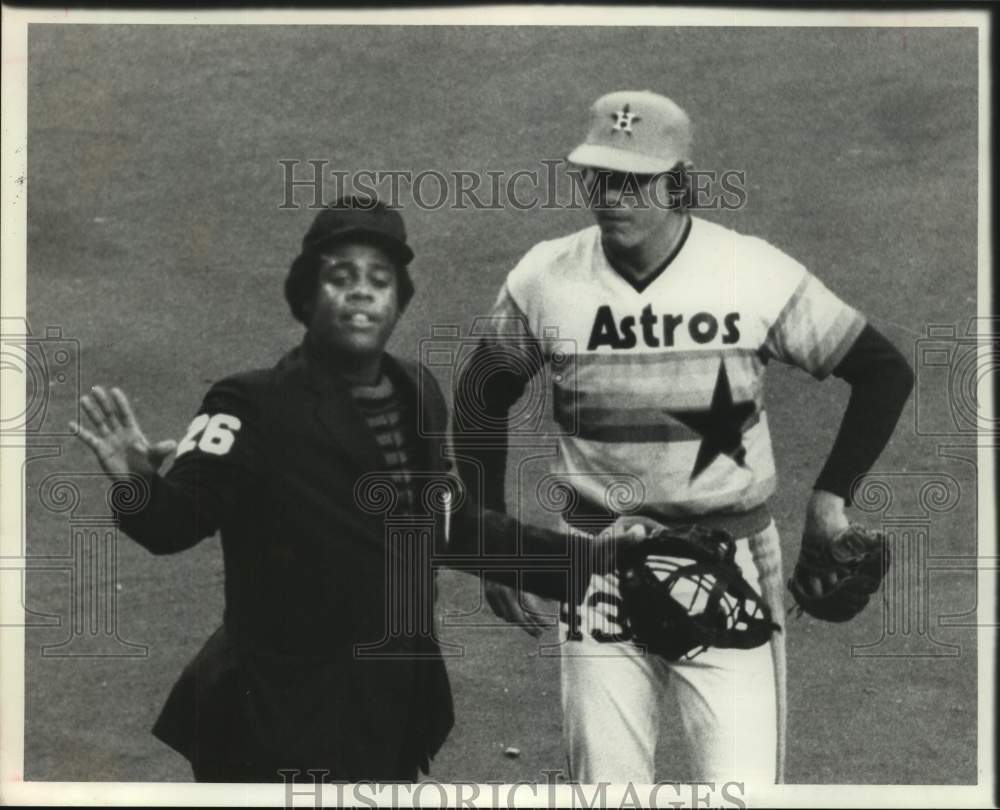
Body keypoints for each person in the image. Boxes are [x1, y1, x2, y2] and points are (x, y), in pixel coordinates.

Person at [72, 195, 639, 783]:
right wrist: (136, 479)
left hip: (389, 711)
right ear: (305, 297)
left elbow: (451, 528)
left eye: (380, 279)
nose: (362, 292)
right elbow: (169, 525)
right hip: (271, 724)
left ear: (399, 300)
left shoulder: (419, 392)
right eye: (340, 278)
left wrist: (606, 565)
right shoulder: (248, 405)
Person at [452, 90, 914, 785]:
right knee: (606, 794)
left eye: (634, 180)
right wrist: (492, 546)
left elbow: (882, 371)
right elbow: (480, 397)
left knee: (741, 793)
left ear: (679, 183)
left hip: (729, 562)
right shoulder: (545, 278)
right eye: (599, 178)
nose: (612, 196)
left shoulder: (750, 270)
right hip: (594, 564)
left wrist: (829, 500)